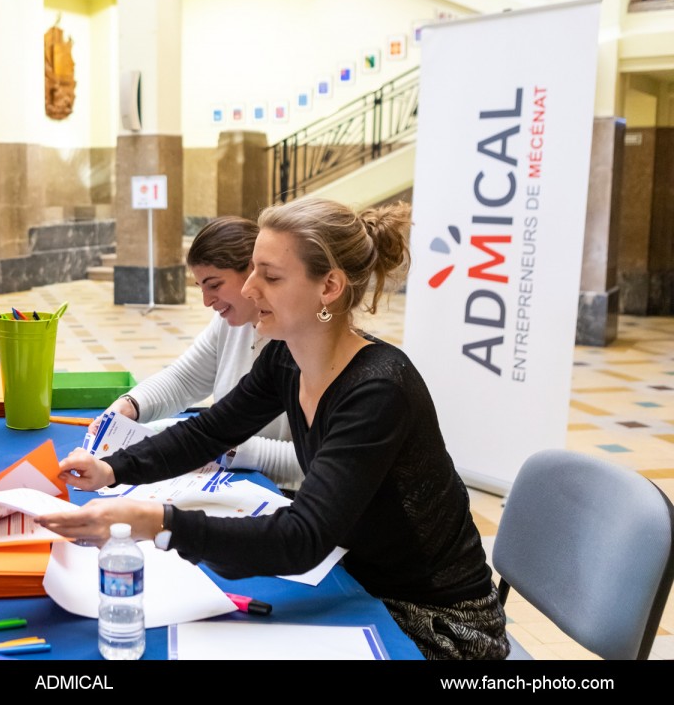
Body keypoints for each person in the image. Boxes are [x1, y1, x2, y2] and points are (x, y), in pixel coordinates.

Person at [38, 197, 509, 661]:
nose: (249, 289)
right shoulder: (286, 357)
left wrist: (156, 523)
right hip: (355, 578)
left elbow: (302, 539)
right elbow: (209, 432)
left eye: (271, 276)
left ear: (329, 287)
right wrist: (112, 468)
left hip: (434, 620)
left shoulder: (379, 390)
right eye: (253, 271)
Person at [89, 217, 301, 489]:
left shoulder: (300, 345)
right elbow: (186, 384)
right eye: (201, 288)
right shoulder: (240, 328)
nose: (206, 302)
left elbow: (321, 460)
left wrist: (225, 447)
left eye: (214, 285)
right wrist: (131, 405)